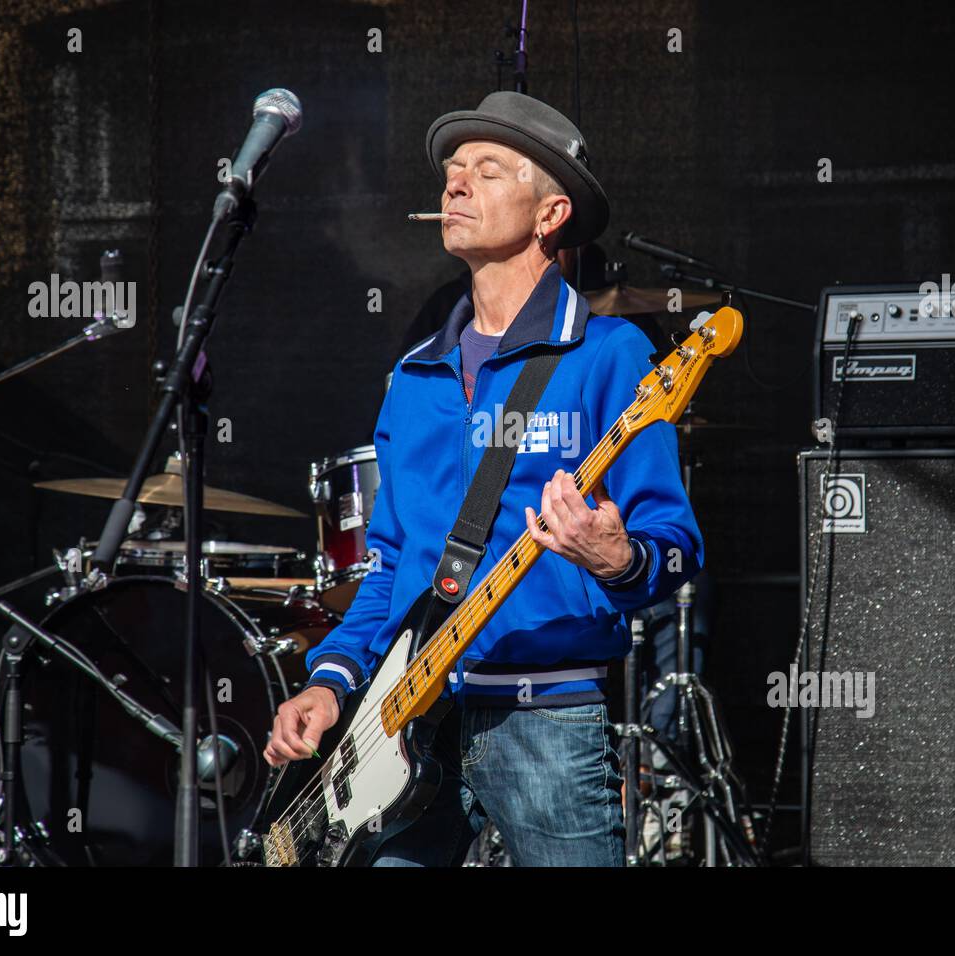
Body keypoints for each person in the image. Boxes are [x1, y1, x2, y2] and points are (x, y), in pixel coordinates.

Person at [263, 91, 703, 867]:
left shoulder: (609, 356)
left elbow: (675, 547)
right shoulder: (414, 375)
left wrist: (616, 557)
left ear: (549, 213)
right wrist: (331, 681)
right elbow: (392, 567)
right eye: (452, 172)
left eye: (487, 170)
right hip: (403, 728)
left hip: (547, 720)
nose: (455, 186)